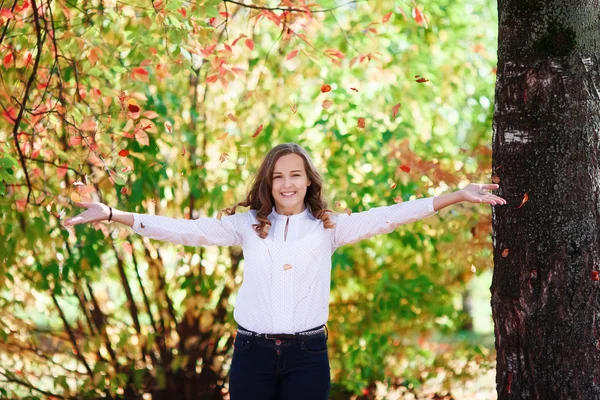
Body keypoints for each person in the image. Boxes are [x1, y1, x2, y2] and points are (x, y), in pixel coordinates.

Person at [63, 142, 506, 399]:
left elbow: (390, 215)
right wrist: (112, 214)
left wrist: (455, 195)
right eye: (278, 177)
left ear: (309, 180)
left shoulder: (329, 228)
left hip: (307, 357)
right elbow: (186, 231)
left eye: (296, 175)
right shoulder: (246, 226)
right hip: (251, 355)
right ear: (268, 184)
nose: (288, 184)